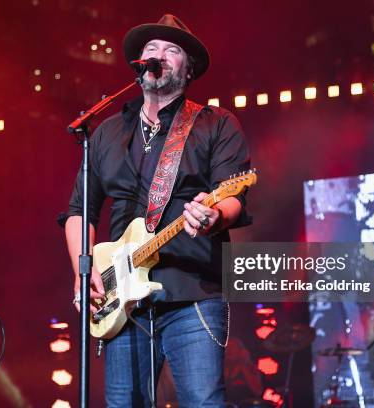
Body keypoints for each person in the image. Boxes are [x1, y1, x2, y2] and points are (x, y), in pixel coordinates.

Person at [60, 14, 252, 407]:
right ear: (138, 65)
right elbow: (81, 209)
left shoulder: (214, 124)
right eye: (151, 49)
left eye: (172, 49)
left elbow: (234, 196)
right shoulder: (106, 133)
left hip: (193, 293)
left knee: (203, 402)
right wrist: (85, 271)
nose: (158, 55)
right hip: (123, 301)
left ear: (188, 68)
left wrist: (215, 215)